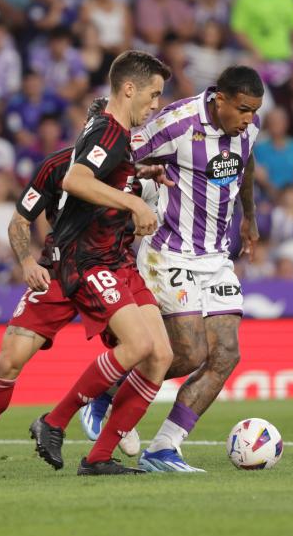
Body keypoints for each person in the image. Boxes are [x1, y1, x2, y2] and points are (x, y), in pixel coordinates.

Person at [0, 97, 164, 468]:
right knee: (9, 360)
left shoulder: (131, 173)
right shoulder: (56, 167)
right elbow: (19, 221)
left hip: (110, 270)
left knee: (144, 349)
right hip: (60, 272)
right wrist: (27, 260)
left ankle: (111, 422)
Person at [84, 65, 264, 473]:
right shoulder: (176, 123)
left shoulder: (247, 128)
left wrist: (249, 216)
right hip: (169, 249)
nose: (249, 119)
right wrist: (131, 200)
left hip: (216, 256)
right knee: (186, 352)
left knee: (226, 354)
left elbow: (246, 162)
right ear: (220, 99)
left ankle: (164, 447)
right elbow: (119, 156)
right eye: (243, 110)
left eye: (254, 111)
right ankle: (104, 394)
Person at [28, 51, 174, 476]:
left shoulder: (114, 133)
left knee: (160, 356)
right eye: (153, 94)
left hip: (116, 256)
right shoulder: (109, 131)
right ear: (129, 88)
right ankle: (54, 421)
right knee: (138, 346)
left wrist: (138, 176)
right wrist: (131, 199)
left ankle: (98, 458)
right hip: (88, 259)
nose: (156, 104)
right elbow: (75, 179)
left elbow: (101, 174)